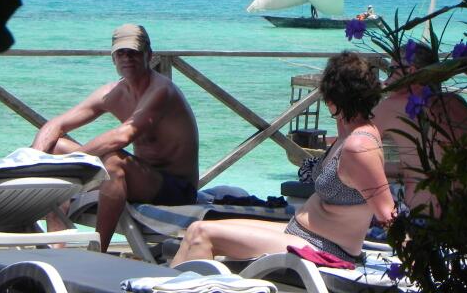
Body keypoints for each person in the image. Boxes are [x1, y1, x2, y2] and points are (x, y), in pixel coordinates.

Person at [170, 52, 395, 266]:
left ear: (333, 97)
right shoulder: (347, 132)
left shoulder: (359, 147)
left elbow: (387, 213)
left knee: (202, 235)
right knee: (195, 229)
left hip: (324, 248)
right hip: (300, 233)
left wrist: (419, 264)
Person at [31, 23, 199, 252]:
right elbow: (56, 124)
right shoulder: (113, 92)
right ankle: (56, 242)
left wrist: (74, 162)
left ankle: (97, 250)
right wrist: (33, 162)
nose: (127, 58)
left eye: (134, 52)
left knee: (113, 161)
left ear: (148, 55)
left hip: (175, 189)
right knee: (56, 147)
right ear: (113, 58)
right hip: (142, 178)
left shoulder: (161, 91)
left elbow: (122, 136)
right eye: (121, 53)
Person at [374, 41, 467, 214]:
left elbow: (350, 153)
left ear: (412, 72)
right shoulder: (455, 102)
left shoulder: (390, 107)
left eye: (391, 71)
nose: (386, 80)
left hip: (424, 218)